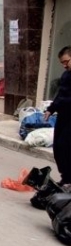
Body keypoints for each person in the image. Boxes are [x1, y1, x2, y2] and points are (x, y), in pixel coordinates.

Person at [45, 46, 71, 185]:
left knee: (65, 145)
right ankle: (66, 177)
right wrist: (51, 109)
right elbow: (60, 95)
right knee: (58, 148)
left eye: (66, 61)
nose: (64, 65)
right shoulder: (66, 75)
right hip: (63, 116)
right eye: (62, 63)